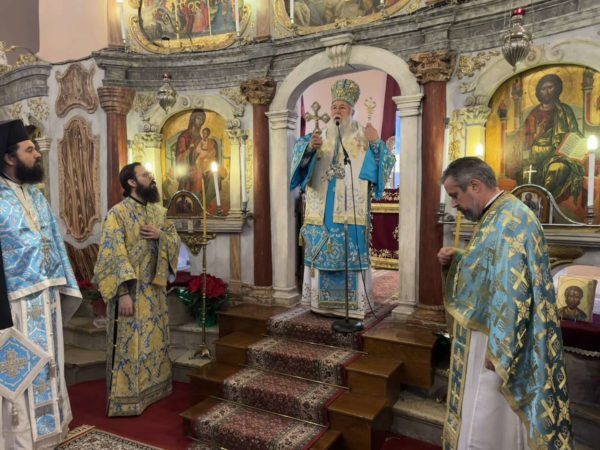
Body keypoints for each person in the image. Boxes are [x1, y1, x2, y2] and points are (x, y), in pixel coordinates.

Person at [437, 157, 572, 449]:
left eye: (455, 195)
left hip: (497, 340)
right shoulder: (498, 215)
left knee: (492, 415)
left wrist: (502, 345)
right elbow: (493, 270)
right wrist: (457, 260)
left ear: (475, 185)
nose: (454, 205)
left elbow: (515, 288)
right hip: (490, 332)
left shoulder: (510, 220)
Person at [0, 119, 82, 448]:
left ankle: (50, 433)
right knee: (20, 372)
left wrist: (64, 285)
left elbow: (55, 243)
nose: (37, 154)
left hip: (46, 300)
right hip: (14, 305)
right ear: (9, 157)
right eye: (29, 149)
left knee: (49, 365)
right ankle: (18, 440)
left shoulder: (37, 195)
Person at [290, 79, 395, 319]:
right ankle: (319, 302)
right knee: (322, 252)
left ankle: (352, 304)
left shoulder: (363, 137)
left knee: (349, 254)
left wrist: (376, 143)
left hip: (350, 212)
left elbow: (382, 169)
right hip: (321, 212)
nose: (337, 111)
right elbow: (299, 174)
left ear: (352, 111)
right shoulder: (317, 137)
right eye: (334, 106)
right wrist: (309, 150)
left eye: (343, 107)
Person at [93, 162, 180, 416]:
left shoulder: (158, 213)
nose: (151, 178)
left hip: (154, 292)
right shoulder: (117, 214)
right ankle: (128, 399)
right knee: (130, 346)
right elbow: (113, 255)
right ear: (132, 182)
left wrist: (161, 236)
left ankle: (155, 388)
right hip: (131, 293)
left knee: (153, 343)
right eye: (145, 175)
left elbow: (175, 241)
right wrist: (122, 294)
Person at [523, 73, 584, 201]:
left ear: (557, 89)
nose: (546, 92)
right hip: (536, 157)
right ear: (538, 92)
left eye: (550, 87)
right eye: (543, 89)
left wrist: (568, 147)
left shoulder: (565, 111)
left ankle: (545, 202)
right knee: (525, 175)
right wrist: (537, 134)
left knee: (557, 168)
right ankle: (534, 205)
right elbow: (524, 141)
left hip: (559, 156)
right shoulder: (533, 114)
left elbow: (575, 134)